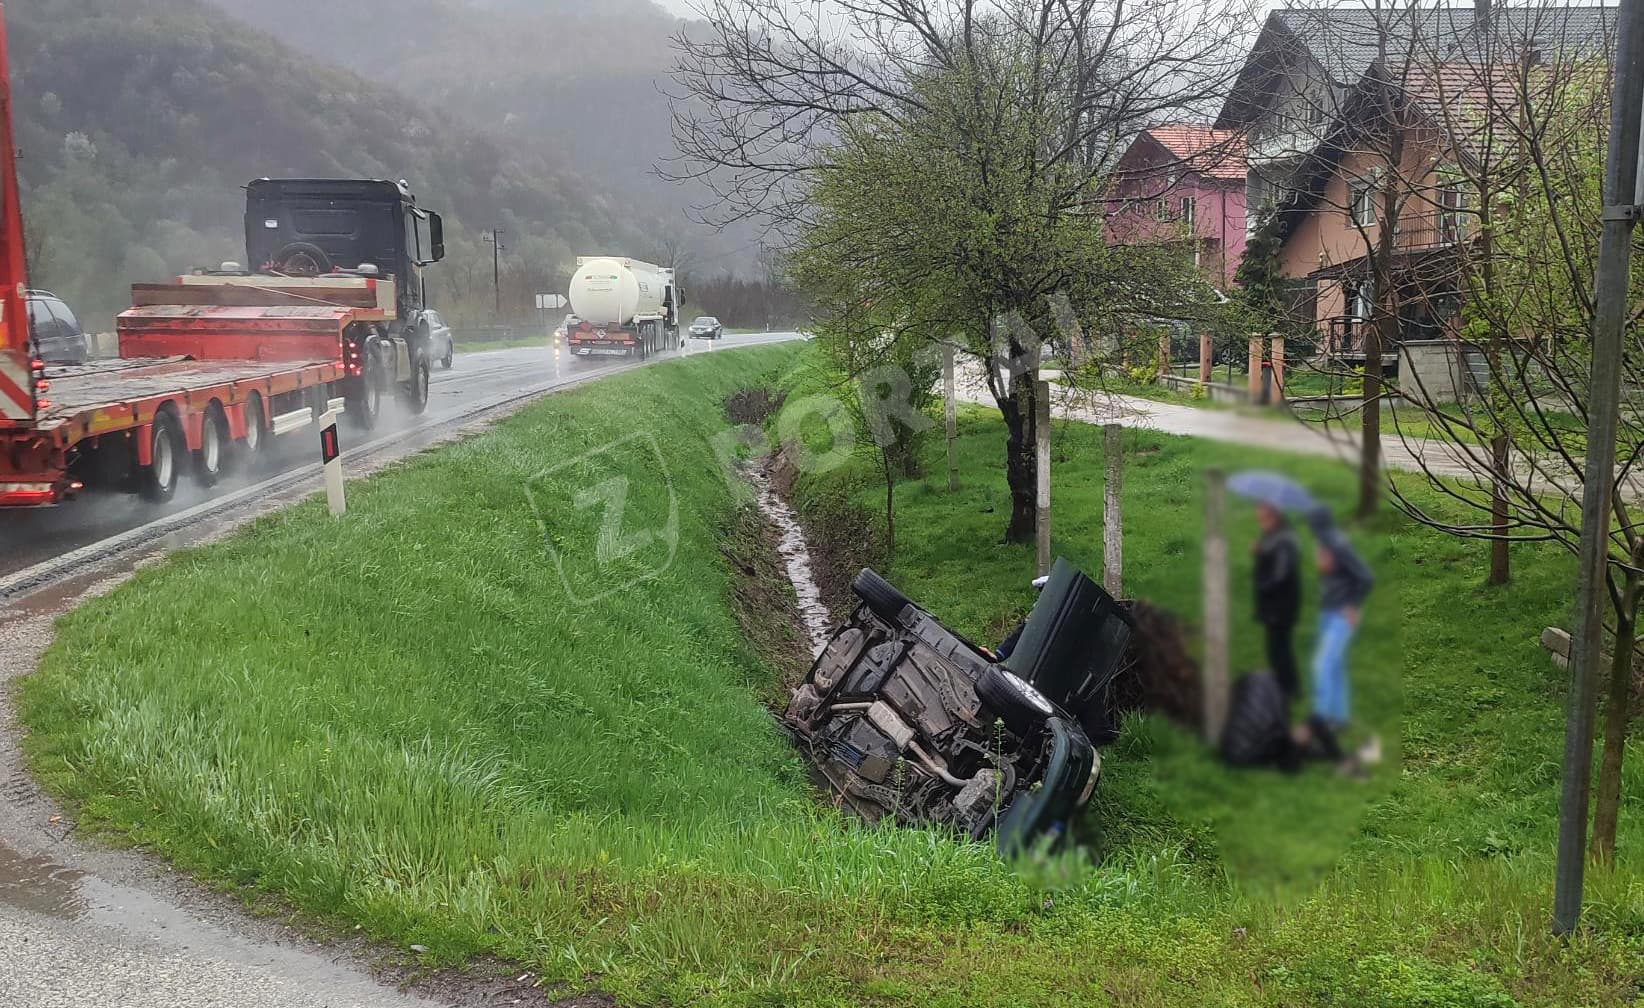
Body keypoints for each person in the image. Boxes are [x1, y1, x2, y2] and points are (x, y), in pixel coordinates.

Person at [1305, 504, 1374, 757]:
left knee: (1321, 665)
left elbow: (1366, 577)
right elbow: (1333, 576)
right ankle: (1340, 717)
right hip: (1328, 612)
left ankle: (1322, 721)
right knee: (1335, 666)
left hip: (1341, 615)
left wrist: (1353, 606)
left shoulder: (1338, 544)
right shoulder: (1326, 543)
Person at [1252, 502, 1302, 700]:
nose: (1261, 523)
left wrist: (1262, 584)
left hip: (1280, 605)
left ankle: (1288, 688)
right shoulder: (1276, 536)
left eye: (1264, 519)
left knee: (1279, 649)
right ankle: (1287, 686)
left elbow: (1280, 575)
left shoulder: (1284, 540)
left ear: (1275, 516)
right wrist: (1261, 550)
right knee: (1277, 647)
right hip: (1276, 604)